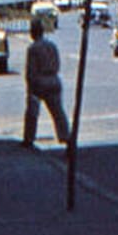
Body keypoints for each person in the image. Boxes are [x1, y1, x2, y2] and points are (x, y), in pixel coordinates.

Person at [23, 15, 70, 147]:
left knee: (32, 112)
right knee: (58, 112)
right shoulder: (52, 46)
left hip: (40, 82)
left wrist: (30, 88)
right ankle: (66, 137)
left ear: (33, 32)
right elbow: (58, 64)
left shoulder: (33, 49)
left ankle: (29, 138)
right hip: (54, 79)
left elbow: (31, 71)